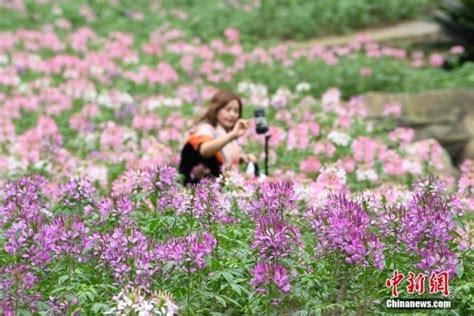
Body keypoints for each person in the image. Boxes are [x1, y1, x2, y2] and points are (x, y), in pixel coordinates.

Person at [179, 89, 257, 185]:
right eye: (228, 110)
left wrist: (241, 158)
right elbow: (205, 151)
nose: (232, 115)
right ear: (216, 110)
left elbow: (219, 158)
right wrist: (232, 135)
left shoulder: (225, 132)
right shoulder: (206, 129)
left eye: (236, 111)